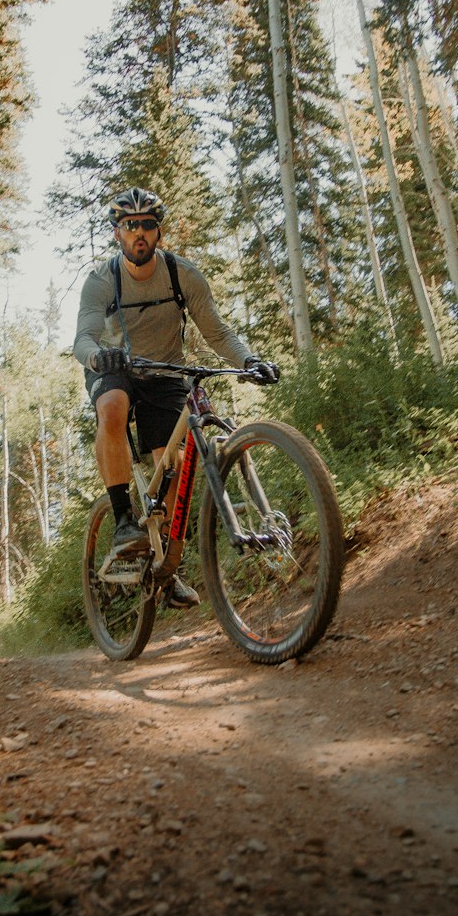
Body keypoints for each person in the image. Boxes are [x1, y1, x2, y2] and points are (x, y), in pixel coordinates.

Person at [73, 186, 279, 608]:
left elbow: (217, 331)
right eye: (130, 226)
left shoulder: (182, 274)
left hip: (167, 371)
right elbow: (83, 338)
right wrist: (98, 357)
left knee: (176, 461)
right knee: (112, 407)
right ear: (118, 234)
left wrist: (250, 359)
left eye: (147, 225)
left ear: (159, 232)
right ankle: (124, 520)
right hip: (115, 369)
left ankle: (171, 566)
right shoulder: (100, 280)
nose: (139, 234)